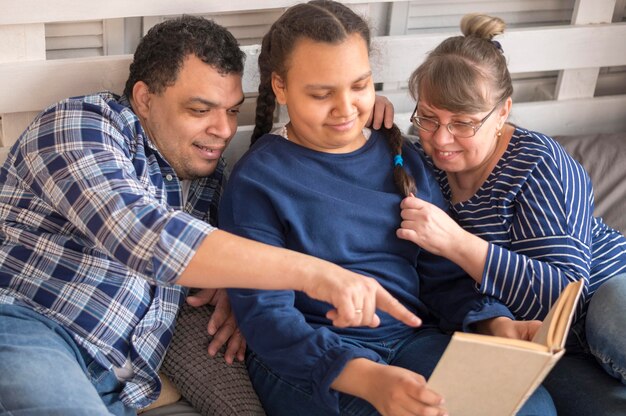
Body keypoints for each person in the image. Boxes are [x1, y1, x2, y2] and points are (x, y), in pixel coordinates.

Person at [0, 15, 422, 416]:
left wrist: (236, 282)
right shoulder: (80, 125)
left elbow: (224, 268)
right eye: (200, 110)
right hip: (27, 328)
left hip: (115, 386)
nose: (222, 129)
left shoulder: (205, 176)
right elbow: (144, 234)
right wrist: (313, 273)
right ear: (145, 99)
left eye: (232, 110)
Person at [221, 2, 556, 415]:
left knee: (530, 406)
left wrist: (493, 323)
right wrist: (368, 378)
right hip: (312, 359)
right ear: (281, 86)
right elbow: (267, 318)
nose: (346, 108)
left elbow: (443, 278)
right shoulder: (257, 180)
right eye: (322, 93)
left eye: (360, 86)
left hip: (413, 340)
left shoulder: (400, 156)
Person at [398, 12, 626, 415]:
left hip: (609, 289)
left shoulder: (541, 164)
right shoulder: (422, 165)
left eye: (463, 123)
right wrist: (371, 109)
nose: (440, 139)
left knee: (612, 312)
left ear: (503, 111)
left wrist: (457, 242)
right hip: (547, 348)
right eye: (428, 117)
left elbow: (563, 297)